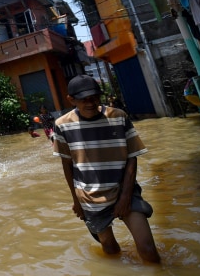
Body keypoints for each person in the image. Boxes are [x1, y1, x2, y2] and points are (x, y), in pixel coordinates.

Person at [53, 75, 160, 263]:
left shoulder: (118, 117)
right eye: (84, 99)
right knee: (109, 248)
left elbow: (131, 157)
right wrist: (76, 200)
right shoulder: (62, 125)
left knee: (148, 248)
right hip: (89, 197)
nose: (91, 103)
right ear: (71, 100)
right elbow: (67, 164)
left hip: (124, 191)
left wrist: (126, 196)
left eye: (94, 97)